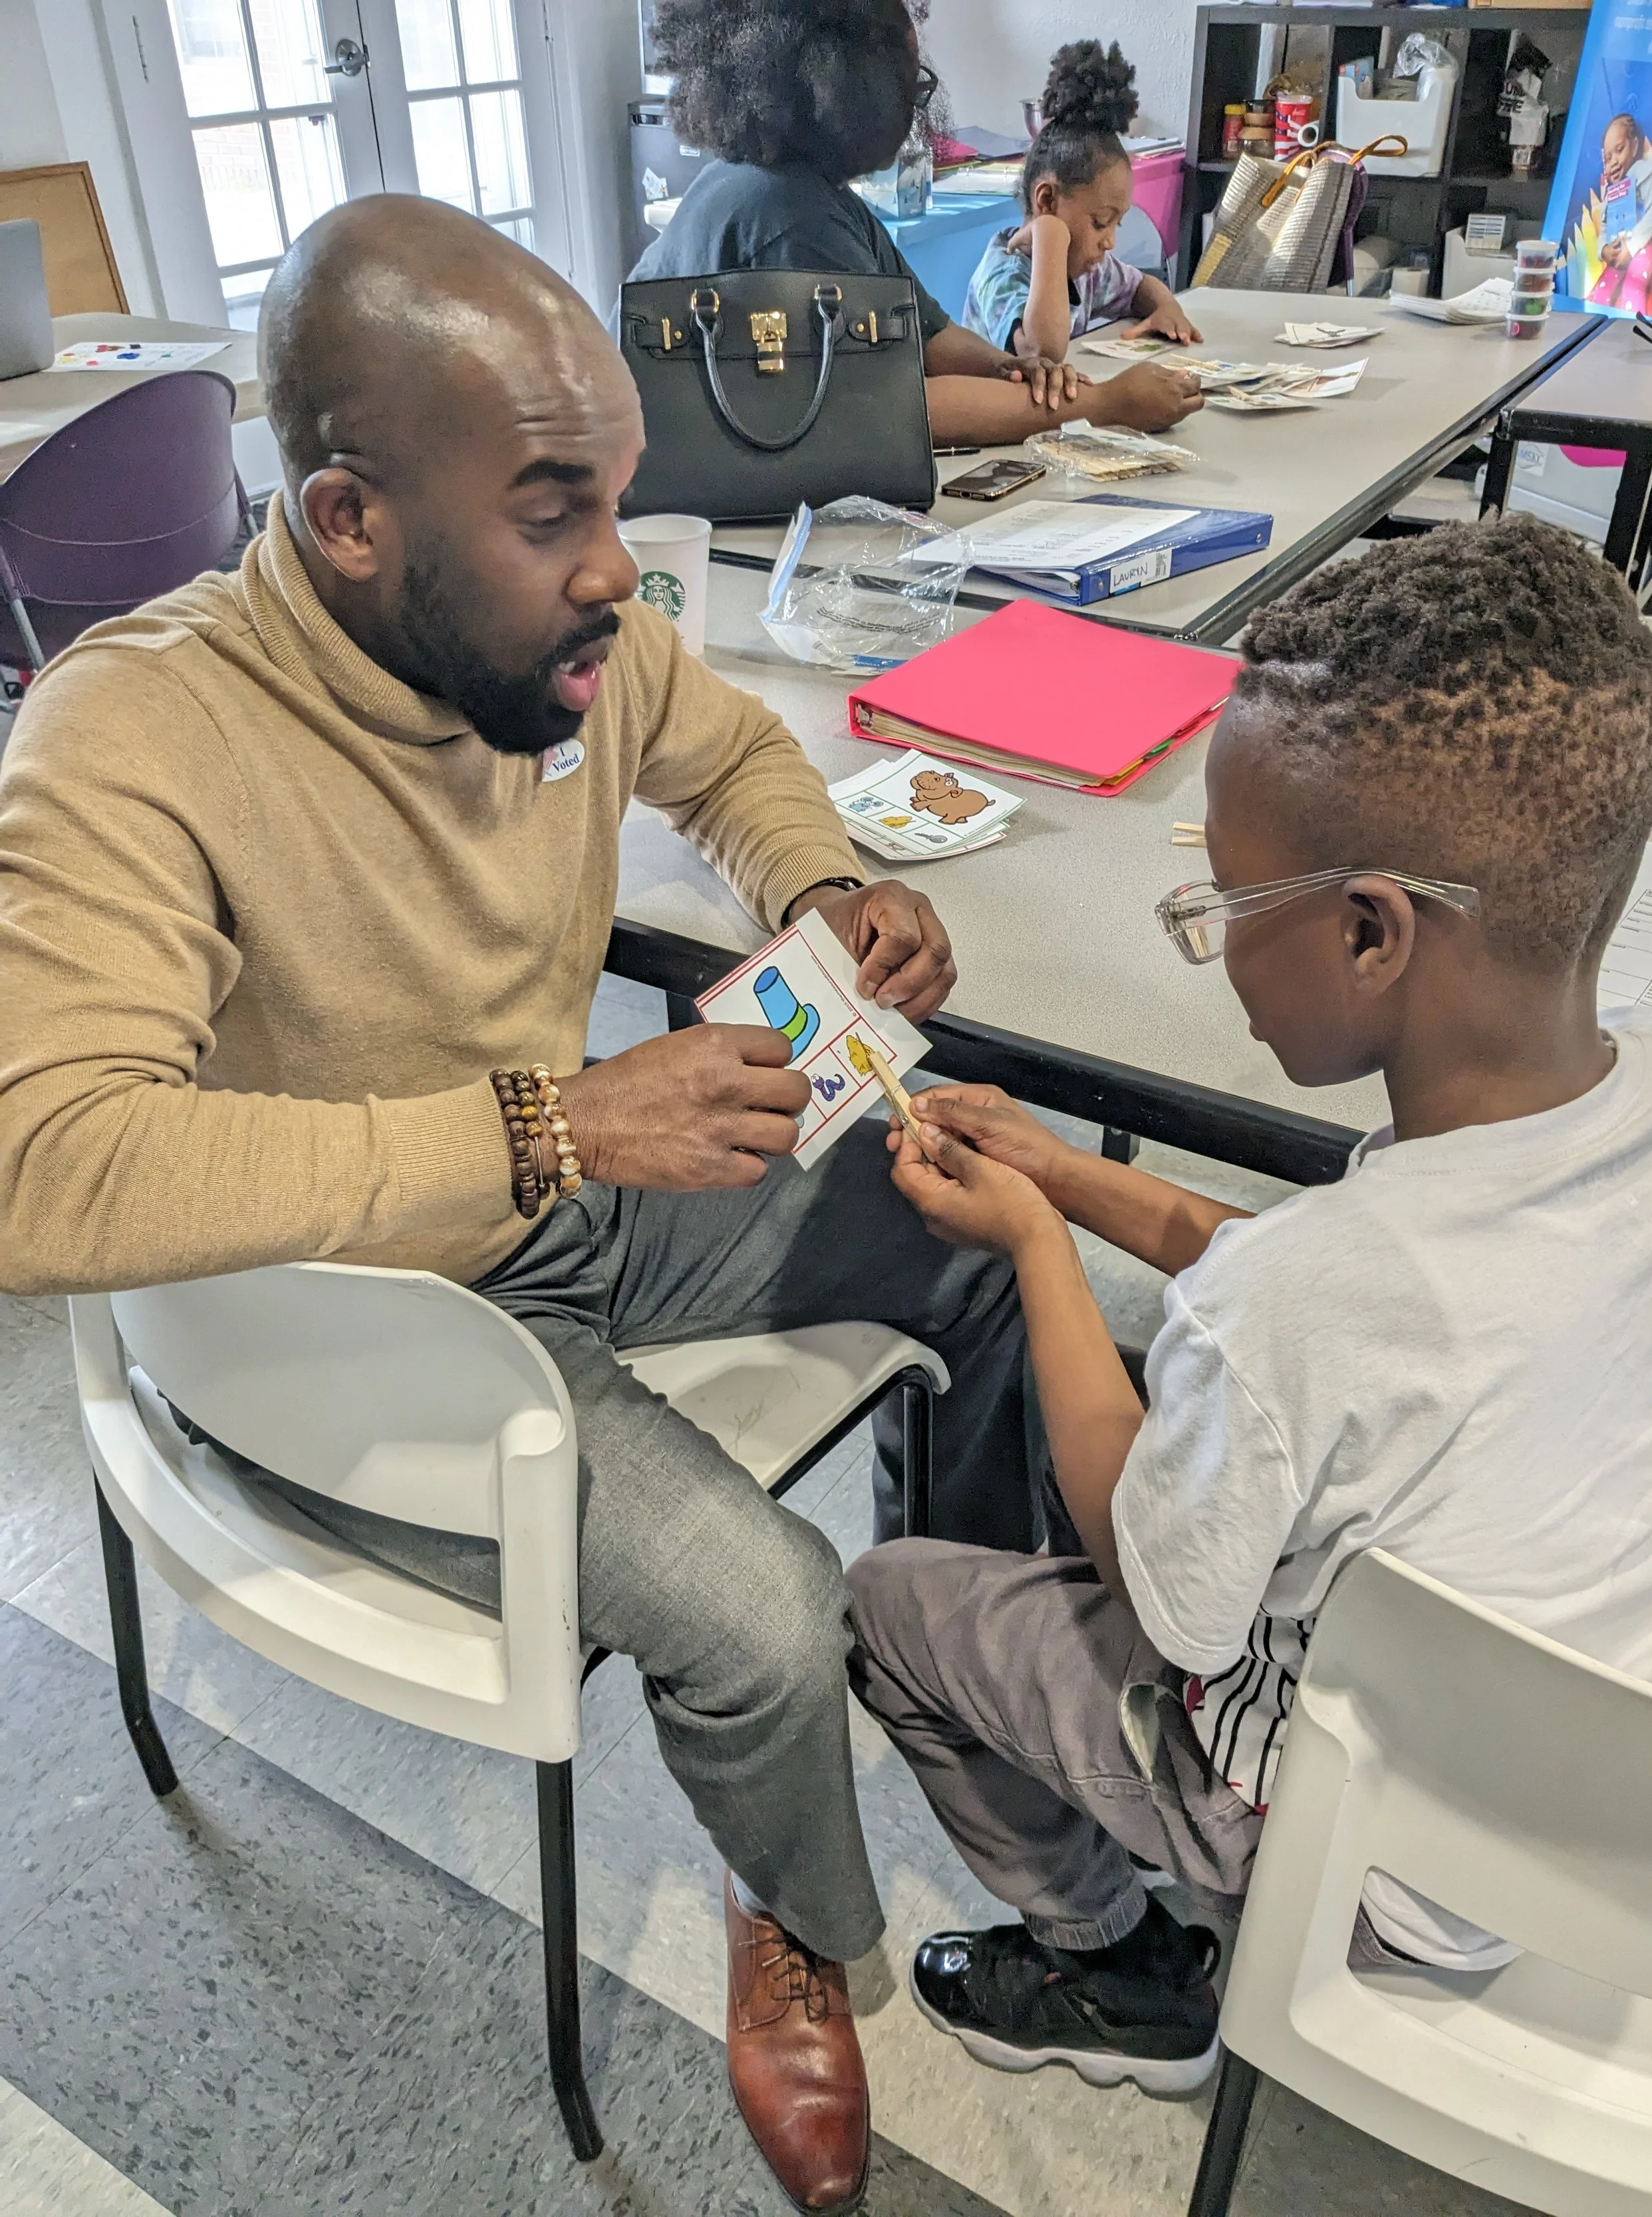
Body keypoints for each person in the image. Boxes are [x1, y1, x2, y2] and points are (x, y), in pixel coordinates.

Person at [0, 197, 1049, 2216]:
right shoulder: (132, 734)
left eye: (622, 502)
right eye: (556, 511)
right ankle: (790, 1900)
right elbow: (42, 1172)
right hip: (334, 1328)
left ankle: (968, 1671)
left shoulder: (559, 635)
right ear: (346, 517)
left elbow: (730, 745)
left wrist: (816, 891)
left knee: (971, 1202)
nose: (614, 576)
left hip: (551, 1194)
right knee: (758, 1610)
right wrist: (552, 1127)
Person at [845, 516, 1652, 2092]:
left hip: (1374, 1865)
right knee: (1173, 1361)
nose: (1215, 943)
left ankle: (1118, 1970)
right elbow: (1323, 1294)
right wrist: (1076, 1178)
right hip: (1588, 1813)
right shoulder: (1612, 1121)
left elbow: (1165, 1597)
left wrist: (1031, 1243)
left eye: (1224, 904)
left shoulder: (1294, 1305)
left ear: (1370, 929)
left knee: (884, 1603)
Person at [629, 0, 1202, 444]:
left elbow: (926, 334)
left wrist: (1017, 370)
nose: (917, 104)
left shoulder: (806, 192)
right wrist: (1102, 406)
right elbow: (900, 404)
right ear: (851, 89)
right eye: (910, 83)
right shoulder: (787, 216)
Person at [963, 40, 1202, 364]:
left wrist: (1166, 308)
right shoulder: (1003, 276)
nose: (1110, 242)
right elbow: (1042, 353)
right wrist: (1049, 234)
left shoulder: (1087, 270)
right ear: (1046, 200)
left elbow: (1140, 287)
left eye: (1117, 224)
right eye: (1100, 223)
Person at [1591, 112, 1652, 314]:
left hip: (1645, 245)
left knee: (1635, 282)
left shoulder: (1643, 173)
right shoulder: (1614, 190)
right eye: (1607, 158)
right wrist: (1603, 249)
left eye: (1619, 150)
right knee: (1604, 287)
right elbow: (1604, 226)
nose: (1613, 161)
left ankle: (1631, 325)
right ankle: (1594, 322)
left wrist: (1632, 248)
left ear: (1635, 147)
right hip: (1618, 247)